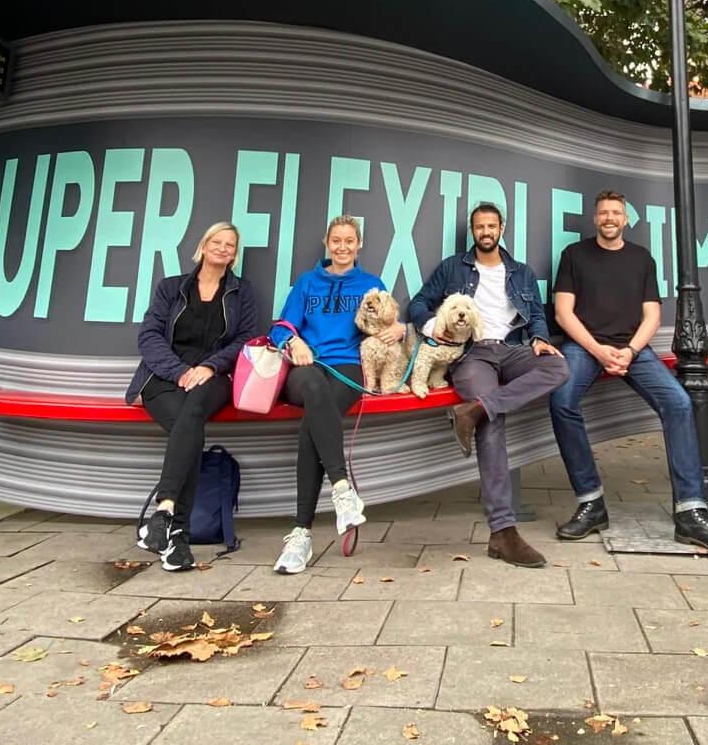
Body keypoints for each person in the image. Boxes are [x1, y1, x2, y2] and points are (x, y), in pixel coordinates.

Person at [548, 189, 708, 553]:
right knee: (561, 401)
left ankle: (690, 512)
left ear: (625, 219)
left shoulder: (641, 258)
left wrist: (630, 351)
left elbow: (652, 315)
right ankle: (591, 502)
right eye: (603, 212)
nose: (609, 218)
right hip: (585, 347)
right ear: (595, 218)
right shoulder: (574, 255)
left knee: (679, 403)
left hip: (633, 348)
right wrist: (598, 350)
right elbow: (563, 313)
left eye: (615, 213)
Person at [409, 203, 569, 567]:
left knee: (559, 367)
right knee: (492, 426)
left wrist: (540, 339)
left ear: (501, 228)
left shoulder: (521, 272)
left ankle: (475, 410)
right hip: (472, 354)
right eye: (479, 226)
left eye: (491, 226)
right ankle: (503, 533)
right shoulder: (453, 267)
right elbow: (419, 303)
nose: (485, 231)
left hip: (513, 349)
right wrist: (434, 327)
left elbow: (537, 315)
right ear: (473, 231)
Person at [268, 215, 399, 574]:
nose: (343, 247)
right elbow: (280, 327)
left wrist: (400, 329)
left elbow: (388, 322)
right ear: (327, 243)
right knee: (313, 389)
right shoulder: (307, 282)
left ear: (359, 245)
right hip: (307, 366)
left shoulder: (371, 284)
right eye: (336, 240)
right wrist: (293, 341)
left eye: (349, 241)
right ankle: (342, 489)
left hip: (349, 367)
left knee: (312, 424)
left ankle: (301, 534)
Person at [126, 222, 259, 571]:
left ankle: (164, 509)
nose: (222, 248)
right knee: (191, 429)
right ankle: (179, 539)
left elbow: (245, 339)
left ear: (234, 254)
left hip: (213, 378)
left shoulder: (241, 292)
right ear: (203, 245)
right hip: (163, 378)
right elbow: (149, 335)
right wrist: (179, 371)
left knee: (193, 412)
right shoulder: (171, 287)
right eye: (217, 241)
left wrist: (210, 366)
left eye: (230, 245)